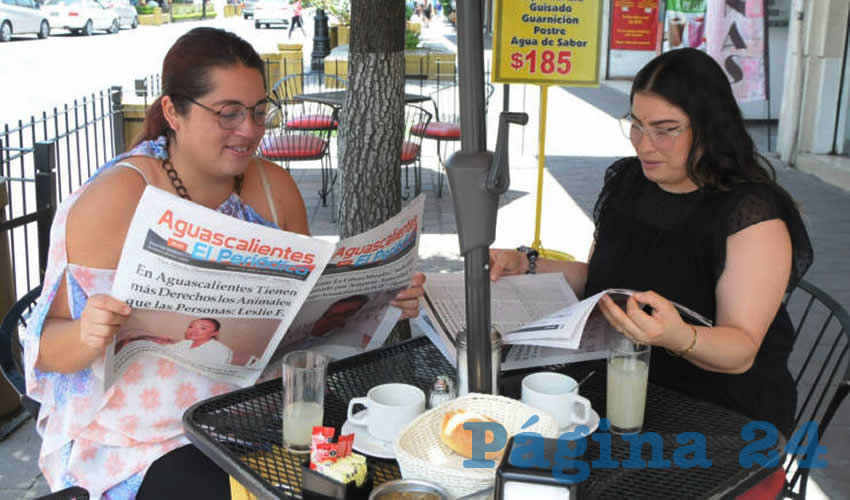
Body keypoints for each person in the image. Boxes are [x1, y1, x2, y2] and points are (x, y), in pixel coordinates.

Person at [22, 27, 425, 500]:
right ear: (173, 111)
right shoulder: (116, 199)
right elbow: (44, 351)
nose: (249, 130)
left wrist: (384, 298)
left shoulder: (275, 189)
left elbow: (310, 308)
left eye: (258, 111)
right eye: (228, 113)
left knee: (373, 466)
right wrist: (89, 331)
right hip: (150, 437)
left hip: (263, 406)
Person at [490, 48, 812, 439]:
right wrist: (526, 264)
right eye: (636, 124)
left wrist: (678, 337)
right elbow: (605, 278)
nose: (644, 144)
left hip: (722, 412)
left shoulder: (751, 213)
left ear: (710, 128)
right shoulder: (630, 181)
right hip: (625, 382)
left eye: (666, 129)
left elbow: (741, 351)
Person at [116, 318, 234, 365]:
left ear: (215, 333)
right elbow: (166, 350)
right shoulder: (185, 343)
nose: (193, 331)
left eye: (203, 328)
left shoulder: (221, 350)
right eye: (191, 326)